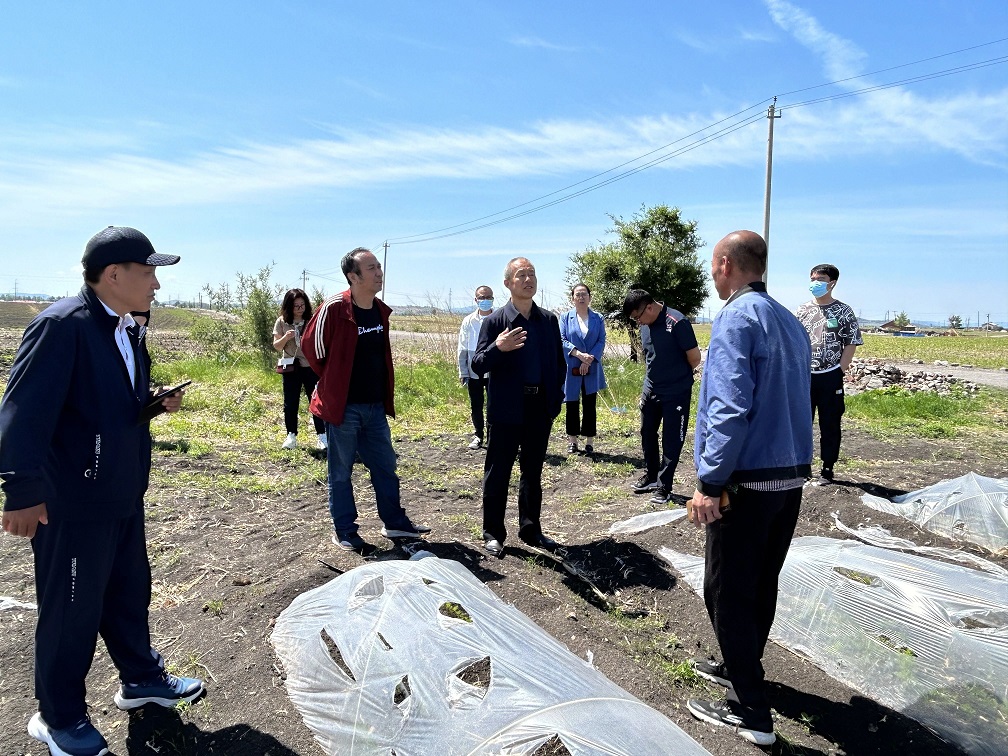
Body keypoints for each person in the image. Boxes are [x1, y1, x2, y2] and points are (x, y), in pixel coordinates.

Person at [0, 226, 206, 756]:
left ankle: (140, 680)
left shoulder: (125, 327)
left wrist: (153, 405)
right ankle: (58, 717)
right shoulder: (61, 327)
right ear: (114, 275)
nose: (157, 284)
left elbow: (103, 407)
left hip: (119, 494)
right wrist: (21, 491)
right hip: (74, 503)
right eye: (150, 271)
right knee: (71, 612)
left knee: (127, 595)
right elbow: (24, 412)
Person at [687, 230, 813, 747]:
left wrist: (710, 482)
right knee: (760, 580)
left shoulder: (736, 319)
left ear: (724, 264)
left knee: (724, 589)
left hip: (747, 480)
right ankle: (739, 662)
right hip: (789, 476)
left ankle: (752, 712)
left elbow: (728, 406)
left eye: (713, 266)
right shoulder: (788, 320)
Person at [301, 247, 430, 556]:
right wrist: (333, 381)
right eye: (371, 268)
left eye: (378, 267)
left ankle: (394, 522)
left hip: (374, 407)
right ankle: (345, 531)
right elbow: (311, 349)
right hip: (343, 408)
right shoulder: (334, 308)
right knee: (341, 471)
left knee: (386, 466)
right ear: (352, 276)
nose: (378, 272)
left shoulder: (379, 310)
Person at [472, 257, 565, 557]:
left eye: (532, 274)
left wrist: (555, 399)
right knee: (498, 472)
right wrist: (498, 348)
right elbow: (477, 364)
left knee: (533, 472)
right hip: (506, 409)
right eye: (521, 275)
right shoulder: (495, 321)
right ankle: (493, 533)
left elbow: (558, 364)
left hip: (540, 407)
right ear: (508, 283)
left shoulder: (549, 320)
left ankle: (530, 529)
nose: (529, 279)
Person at [622, 289, 701, 506]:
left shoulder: (677, 322)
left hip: (675, 392)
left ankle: (664, 486)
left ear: (649, 307)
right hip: (651, 389)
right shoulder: (645, 325)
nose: (638, 323)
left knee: (672, 439)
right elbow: (650, 357)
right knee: (647, 432)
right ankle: (651, 475)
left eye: (638, 317)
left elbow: (694, 358)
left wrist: (675, 378)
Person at [796, 264, 863, 486]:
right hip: (805, 376)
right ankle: (802, 466)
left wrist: (839, 370)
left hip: (830, 376)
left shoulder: (843, 311)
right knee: (802, 423)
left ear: (832, 283)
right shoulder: (802, 310)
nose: (815, 282)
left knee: (830, 423)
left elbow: (851, 341)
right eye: (812, 278)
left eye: (820, 279)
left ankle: (827, 468)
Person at [273, 288, 327, 451]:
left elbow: (323, 342)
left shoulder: (312, 320)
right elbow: (276, 346)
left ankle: (322, 436)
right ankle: (291, 435)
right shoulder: (282, 321)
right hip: (290, 367)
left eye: (302, 305)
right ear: (289, 306)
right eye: (296, 306)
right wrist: (286, 337)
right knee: (290, 402)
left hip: (310, 367)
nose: (299, 309)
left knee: (317, 401)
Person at [559, 283, 607, 455]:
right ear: (572, 298)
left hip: (591, 366)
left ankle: (589, 441)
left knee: (590, 403)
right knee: (571, 402)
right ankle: (572, 440)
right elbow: (562, 339)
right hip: (571, 365)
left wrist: (588, 360)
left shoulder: (598, 318)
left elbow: (601, 340)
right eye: (577, 294)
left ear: (589, 297)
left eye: (584, 294)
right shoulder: (565, 317)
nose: (581, 297)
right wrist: (579, 355)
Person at [457, 285, 494, 450]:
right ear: (476, 300)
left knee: (494, 405)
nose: (485, 300)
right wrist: (463, 371)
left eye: (488, 297)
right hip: (474, 371)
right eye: (482, 298)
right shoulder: (468, 321)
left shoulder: (499, 318)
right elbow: (462, 347)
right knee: (476, 405)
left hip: (494, 371)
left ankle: (493, 437)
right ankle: (479, 434)